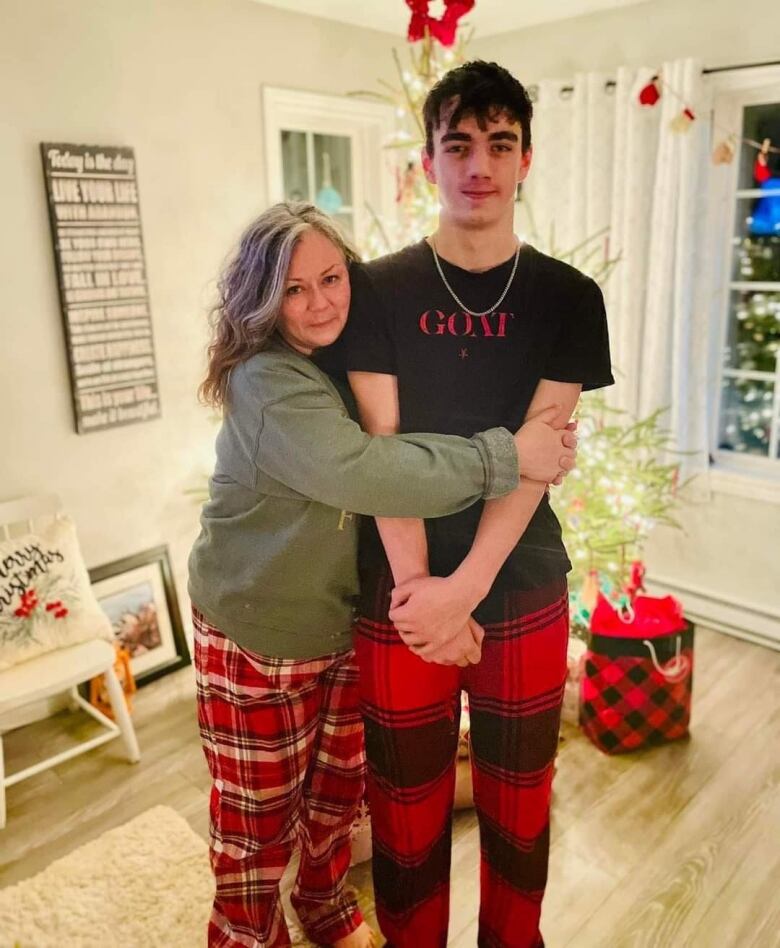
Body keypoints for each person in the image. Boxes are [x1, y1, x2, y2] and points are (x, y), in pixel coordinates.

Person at [187, 201, 578, 948]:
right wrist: (512, 455)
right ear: (261, 300)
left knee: (336, 803)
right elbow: (366, 472)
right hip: (255, 635)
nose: (319, 302)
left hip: (337, 625)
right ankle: (242, 935)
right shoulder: (265, 381)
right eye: (293, 290)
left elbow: (417, 422)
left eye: (331, 278)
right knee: (257, 825)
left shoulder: (346, 352)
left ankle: (328, 909)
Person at [338, 61, 614, 947]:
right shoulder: (373, 288)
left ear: (526, 158)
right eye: (458, 145)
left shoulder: (570, 299)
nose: (479, 165)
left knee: (519, 806)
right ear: (428, 160)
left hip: (521, 576)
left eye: (500, 144)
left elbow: (538, 461)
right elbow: (380, 453)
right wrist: (426, 593)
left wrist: (465, 591)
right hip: (400, 583)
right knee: (406, 811)